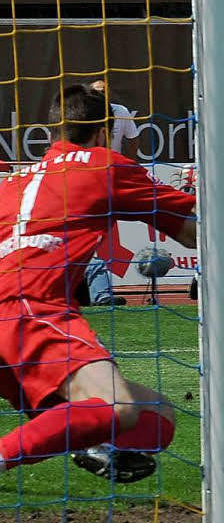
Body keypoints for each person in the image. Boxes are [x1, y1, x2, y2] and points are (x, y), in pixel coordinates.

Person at [0, 84, 195, 481]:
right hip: (31, 307)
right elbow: (195, 231)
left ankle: (92, 442)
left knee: (156, 413)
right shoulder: (105, 164)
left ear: (51, 132)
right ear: (104, 133)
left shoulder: (13, 182)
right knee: (117, 407)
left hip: (15, 312)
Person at [83, 78, 140, 307]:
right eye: (96, 92)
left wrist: (130, 165)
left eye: (104, 92)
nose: (101, 95)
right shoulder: (85, 114)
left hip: (114, 174)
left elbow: (134, 139)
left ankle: (99, 284)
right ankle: (97, 284)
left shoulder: (121, 112)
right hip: (89, 176)